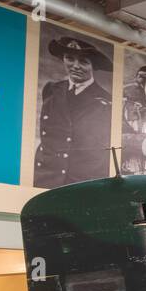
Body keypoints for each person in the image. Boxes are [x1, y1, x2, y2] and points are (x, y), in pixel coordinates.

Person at [33, 36, 114, 188]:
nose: (75, 66)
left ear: (93, 66)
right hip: (45, 177)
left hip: (78, 184)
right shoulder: (51, 90)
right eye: (69, 58)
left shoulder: (106, 102)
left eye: (83, 61)